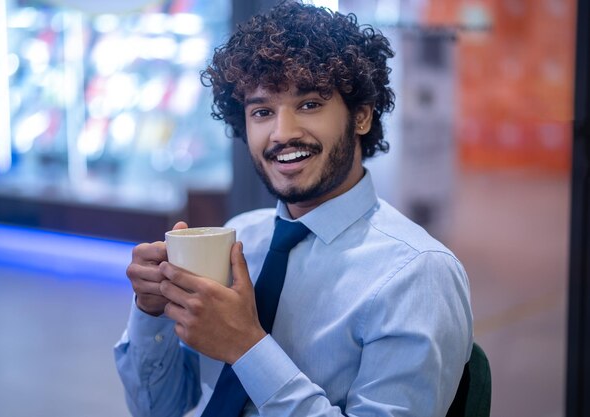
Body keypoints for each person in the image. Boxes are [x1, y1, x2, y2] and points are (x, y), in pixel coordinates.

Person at [114, 2, 473, 416]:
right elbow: (159, 409)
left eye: (309, 104)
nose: (282, 133)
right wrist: (151, 311)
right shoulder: (240, 238)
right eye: (262, 111)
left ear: (360, 116)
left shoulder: (417, 274)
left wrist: (245, 347)